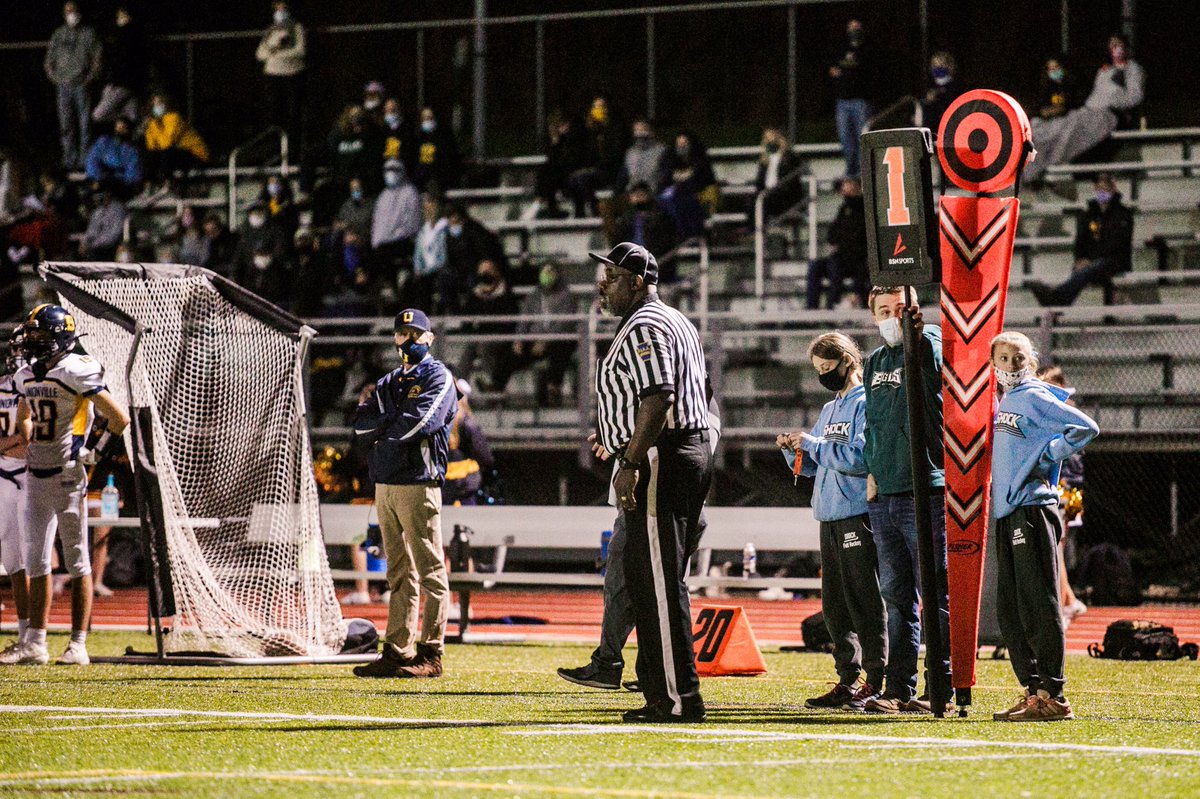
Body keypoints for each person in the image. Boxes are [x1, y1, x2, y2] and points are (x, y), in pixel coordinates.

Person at [591, 242, 714, 723]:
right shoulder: (677, 319)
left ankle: (679, 697)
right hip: (680, 450)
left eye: (613, 277)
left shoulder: (644, 324)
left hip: (662, 456)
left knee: (659, 584)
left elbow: (660, 396)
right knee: (649, 581)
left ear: (638, 280)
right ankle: (661, 693)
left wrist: (631, 459)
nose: (603, 285)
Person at [11, 304, 130, 666]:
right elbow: (25, 417)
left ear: (60, 338)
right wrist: (29, 439)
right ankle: (35, 642)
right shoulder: (27, 375)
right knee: (36, 560)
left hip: (67, 474)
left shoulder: (76, 370)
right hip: (36, 473)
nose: (31, 342)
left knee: (78, 560)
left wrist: (92, 451)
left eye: (39, 336)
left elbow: (118, 418)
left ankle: (78, 643)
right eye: (30, 336)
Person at [989, 331, 1098, 722]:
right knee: (1012, 609)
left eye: (1017, 358)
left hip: (1033, 509)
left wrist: (1048, 453)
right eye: (1002, 358)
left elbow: (1086, 427)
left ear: (1030, 362)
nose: (1010, 365)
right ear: (993, 364)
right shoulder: (1005, 401)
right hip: (1006, 512)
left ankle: (1053, 694)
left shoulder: (1035, 395)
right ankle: (1033, 691)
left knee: (1039, 603)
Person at [778, 332, 885, 710]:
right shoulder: (828, 410)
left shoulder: (867, 403)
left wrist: (812, 444)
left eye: (827, 367)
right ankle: (848, 679)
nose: (824, 374)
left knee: (865, 602)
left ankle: (877, 679)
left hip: (858, 514)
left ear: (847, 361)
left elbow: (859, 459)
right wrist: (795, 453)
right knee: (835, 607)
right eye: (818, 370)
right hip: (828, 515)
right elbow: (814, 465)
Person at [352, 308, 458, 679]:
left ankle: (431, 652)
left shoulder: (439, 376)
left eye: (415, 333)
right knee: (398, 572)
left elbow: (421, 423)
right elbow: (362, 425)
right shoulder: (390, 381)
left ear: (429, 338)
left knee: (429, 570)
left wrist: (386, 428)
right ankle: (398, 649)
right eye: (402, 333)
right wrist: (387, 426)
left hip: (418, 481)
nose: (408, 340)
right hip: (386, 484)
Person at [860, 286, 951, 714]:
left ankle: (943, 687)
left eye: (898, 309)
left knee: (935, 595)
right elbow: (874, 426)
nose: (891, 317)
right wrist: (872, 471)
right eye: (883, 311)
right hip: (886, 497)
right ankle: (899, 689)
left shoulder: (928, 341)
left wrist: (918, 330)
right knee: (896, 600)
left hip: (925, 491)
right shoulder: (874, 362)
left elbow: (932, 363)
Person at [1024, 35, 1145, 183]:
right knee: (1048, 128)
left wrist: (1113, 99)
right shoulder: (1105, 70)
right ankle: (1030, 166)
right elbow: (1096, 94)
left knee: (1071, 130)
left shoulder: (1133, 69)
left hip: (1109, 113)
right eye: (1112, 45)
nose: (1116, 49)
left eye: (1118, 45)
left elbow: (1135, 96)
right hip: (1090, 109)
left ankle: (1046, 166)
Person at [1029, 173, 1133, 306]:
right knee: (1082, 271)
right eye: (1099, 189)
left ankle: (1058, 298)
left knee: (1092, 268)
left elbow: (1116, 244)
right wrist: (1080, 259)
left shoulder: (1123, 214)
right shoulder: (1089, 214)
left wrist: (1089, 260)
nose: (1102, 192)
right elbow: (1081, 241)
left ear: (1113, 189)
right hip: (1092, 263)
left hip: (1115, 261)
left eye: (1105, 189)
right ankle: (1057, 304)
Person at [1037, 366, 1089, 626]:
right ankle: (1068, 599)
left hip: (1063, 487)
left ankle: (1063, 603)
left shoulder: (1061, 414)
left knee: (1055, 547)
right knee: (1056, 547)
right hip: (1065, 486)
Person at [491, 261, 577, 407]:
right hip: (533, 339)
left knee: (562, 348)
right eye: (544, 271)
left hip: (557, 339)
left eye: (550, 272)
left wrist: (546, 340)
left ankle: (554, 389)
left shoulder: (566, 296)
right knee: (507, 352)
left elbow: (565, 324)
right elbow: (525, 320)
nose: (546, 275)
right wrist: (518, 340)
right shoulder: (535, 295)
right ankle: (495, 389)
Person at [0, 330, 31, 663]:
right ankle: (24, 634)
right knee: (13, 561)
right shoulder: (6, 385)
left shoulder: (41, 384)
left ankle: (35, 636)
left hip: (37, 475)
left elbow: (35, 439)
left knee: (34, 561)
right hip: (5, 478)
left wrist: (6, 443)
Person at [45, 1, 103, 169]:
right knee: (66, 124)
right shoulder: (58, 34)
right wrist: (55, 78)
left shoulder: (89, 33)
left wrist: (89, 78)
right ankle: (69, 161)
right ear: (64, 14)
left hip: (81, 85)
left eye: (74, 10)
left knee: (85, 124)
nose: (72, 14)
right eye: (68, 11)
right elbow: (49, 59)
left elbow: (97, 59)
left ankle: (85, 161)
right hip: (63, 86)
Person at [806, 177, 868, 310]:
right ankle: (811, 309)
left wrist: (842, 240)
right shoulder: (844, 208)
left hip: (859, 259)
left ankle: (831, 306)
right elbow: (832, 235)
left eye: (848, 184)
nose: (844, 188)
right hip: (841, 256)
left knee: (835, 266)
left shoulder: (864, 208)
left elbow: (857, 236)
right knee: (815, 267)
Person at [256, 0, 307, 148]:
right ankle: (275, 148)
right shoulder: (271, 30)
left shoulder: (296, 27)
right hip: (272, 76)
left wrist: (277, 54)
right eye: (277, 9)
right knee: (274, 115)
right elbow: (260, 54)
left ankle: (293, 149)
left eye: (283, 8)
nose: (281, 12)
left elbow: (300, 51)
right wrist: (274, 47)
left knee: (293, 115)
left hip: (292, 75)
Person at [830, 19, 875, 178]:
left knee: (862, 137)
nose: (853, 30)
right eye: (851, 28)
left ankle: (864, 171)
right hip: (843, 101)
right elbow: (834, 70)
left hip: (860, 101)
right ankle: (851, 170)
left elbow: (865, 72)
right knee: (845, 138)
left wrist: (847, 71)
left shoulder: (868, 49)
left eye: (856, 28)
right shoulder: (842, 48)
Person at [567, 95, 625, 218]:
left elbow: (615, 155)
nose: (599, 109)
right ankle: (579, 212)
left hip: (610, 171)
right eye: (595, 107)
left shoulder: (615, 129)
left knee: (582, 179)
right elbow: (585, 155)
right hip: (594, 171)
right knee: (574, 179)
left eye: (601, 106)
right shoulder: (589, 132)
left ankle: (595, 210)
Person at [443, 378, 496, 507]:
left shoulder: (430, 422)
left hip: (440, 487)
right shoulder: (466, 423)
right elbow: (485, 456)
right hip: (465, 486)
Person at [92, 5, 147, 125]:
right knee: (135, 118)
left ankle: (126, 119)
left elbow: (122, 60)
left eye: (123, 16)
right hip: (125, 83)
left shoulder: (128, 34)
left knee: (98, 115)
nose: (120, 20)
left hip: (121, 83)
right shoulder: (121, 36)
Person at [658, 132, 717, 240]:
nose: (682, 147)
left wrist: (688, 176)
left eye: (685, 144)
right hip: (676, 199)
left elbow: (707, 180)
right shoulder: (669, 161)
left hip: (695, 196)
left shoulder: (701, 161)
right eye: (679, 144)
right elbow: (665, 181)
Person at [143, 94, 210, 190]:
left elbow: (168, 142)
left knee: (167, 153)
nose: (157, 107)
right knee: (151, 156)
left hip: (195, 154)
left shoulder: (174, 118)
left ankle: (168, 184)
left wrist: (154, 129)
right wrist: (149, 130)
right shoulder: (153, 123)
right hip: (176, 154)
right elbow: (151, 147)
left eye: (160, 103)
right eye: (154, 105)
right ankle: (149, 186)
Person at [612, 183, 678, 279]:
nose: (638, 197)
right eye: (635, 194)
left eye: (641, 194)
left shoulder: (661, 217)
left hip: (654, 261)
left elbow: (664, 244)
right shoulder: (625, 220)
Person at [371, 160, 420, 285]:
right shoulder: (383, 196)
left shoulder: (410, 192)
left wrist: (392, 237)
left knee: (385, 253)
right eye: (388, 171)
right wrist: (376, 241)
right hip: (384, 241)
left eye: (394, 170)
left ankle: (392, 285)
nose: (390, 174)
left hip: (403, 240)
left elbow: (412, 223)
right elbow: (377, 222)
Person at [533, 110, 586, 219]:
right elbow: (553, 159)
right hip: (562, 175)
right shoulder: (555, 141)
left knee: (550, 173)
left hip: (574, 172)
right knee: (547, 172)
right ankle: (550, 208)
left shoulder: (575, 136)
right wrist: (555, 143)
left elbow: (572, 159)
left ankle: (542, 198)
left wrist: (560, 140)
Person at [752, 126, 802, 221]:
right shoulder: (765, 160)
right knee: (752, 202)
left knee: (763, 203)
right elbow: (759, 181)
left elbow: (792, 180)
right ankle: (753, 231)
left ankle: (758, 230)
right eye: (766, 138)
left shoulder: (789, 157)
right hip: (767, 194)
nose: (769, 141)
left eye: (772, 137)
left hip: (784, 196)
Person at [84, 117, 142, 198]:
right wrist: (98, 178)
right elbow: (92, 160)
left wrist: (116, 180)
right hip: (101, 179)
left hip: (119, 184)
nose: (119, 130)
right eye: (118, 127)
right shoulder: (104, 142)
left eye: (123, 128)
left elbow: (133, 175)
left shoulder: (131, 150)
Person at [411, 107, 462, 192]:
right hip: (420, 183)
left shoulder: (444, 139)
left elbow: (449, 160)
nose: (427, 121)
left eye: (430, 118)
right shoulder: (417, 139)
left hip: (439, 182)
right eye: (424, 118)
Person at [618, 119, 667, 194]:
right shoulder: (630, 152)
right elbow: (623, 176)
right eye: (636, 130)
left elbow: (665, 175)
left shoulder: (662, 151)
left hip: (654, 194)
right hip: (632, 194)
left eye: (643, 130)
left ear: (651, 132)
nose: (639, 133)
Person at [80, 183, 126, 261]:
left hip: (109, 248)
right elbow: (91, 230)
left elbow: (115, 235)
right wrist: (84, 242)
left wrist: (95, 244)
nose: (97, 199)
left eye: (100, 195)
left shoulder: (117, 209)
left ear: (108, 194)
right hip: (96, 247)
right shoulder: (98, 211)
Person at [919, 51, 963, 133]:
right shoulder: (928, 87)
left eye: (941, 64)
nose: (938, 67)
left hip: (950, 130)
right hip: (932, 131)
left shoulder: (956, 87)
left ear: (949, 66)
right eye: (935, 65)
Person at [1036, 56, 1079, 121]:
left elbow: (1075, 103)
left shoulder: (1071, 83)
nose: (1054, 70)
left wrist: (1063, 108)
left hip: (1071, 119)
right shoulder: (1046, 88)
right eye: (1051, 68)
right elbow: (1042, 108)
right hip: (1053, 122)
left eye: (1056, 67)